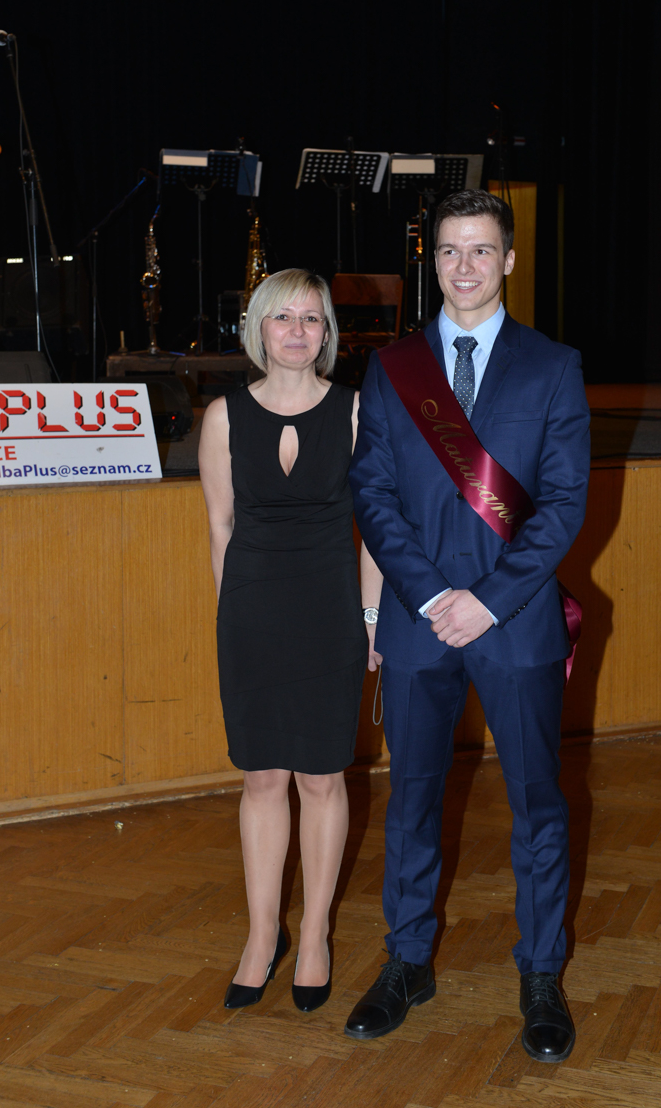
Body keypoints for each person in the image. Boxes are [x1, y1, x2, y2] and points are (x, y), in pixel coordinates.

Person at [346, 189, 590, 1061]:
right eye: (449, 250)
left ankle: (541, 973)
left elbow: (562, 504)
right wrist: (426, 596)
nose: (464, 266)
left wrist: (486, 598)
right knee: (411, 801)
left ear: (509, 260)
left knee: (536, 804)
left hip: (515, 620)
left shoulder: (552, 366)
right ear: (432, 260)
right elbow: (371, 494)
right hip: (418, 623)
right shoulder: (393, 367)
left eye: (481, 250)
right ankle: (407, 961)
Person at [199, 268, 378, 1014]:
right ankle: (261, 933)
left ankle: (313, 939)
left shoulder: (357, 411)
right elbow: (221, 527)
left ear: (327, 332)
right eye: (283, 317)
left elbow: (376, 528)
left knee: (322, 778)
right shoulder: (222, 416)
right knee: (261, 779)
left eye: (311, 318)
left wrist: (371, 621)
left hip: (331, 611)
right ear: (258, 330)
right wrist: (229, 618)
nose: (297, 331)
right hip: (252, 614)